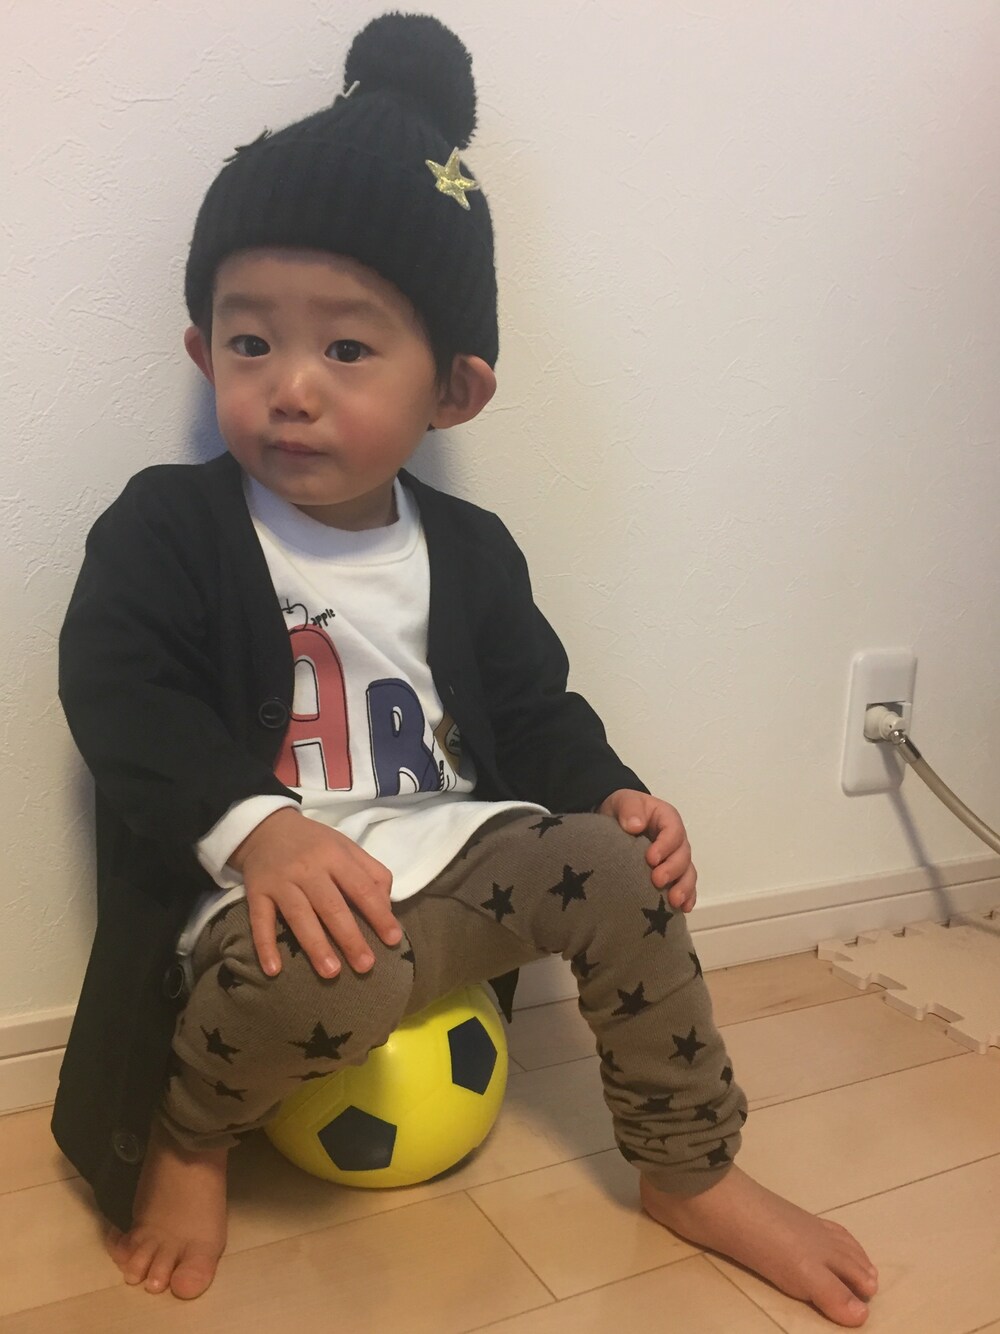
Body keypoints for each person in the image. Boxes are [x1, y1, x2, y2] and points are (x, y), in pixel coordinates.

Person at [54, 12, 878, 1326]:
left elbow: (539, 709)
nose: (292, 387)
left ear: (453, 391)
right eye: (251, 342)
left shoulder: (473, 551)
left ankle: (689, 1166)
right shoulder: (170, 527)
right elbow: (117, 691)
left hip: (448, 877)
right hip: (271, 916)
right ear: (204, 352)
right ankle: (193, 1136)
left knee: (618, 868)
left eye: (347, 348)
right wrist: (258, 829)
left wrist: (612, 794)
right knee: (328, 968)